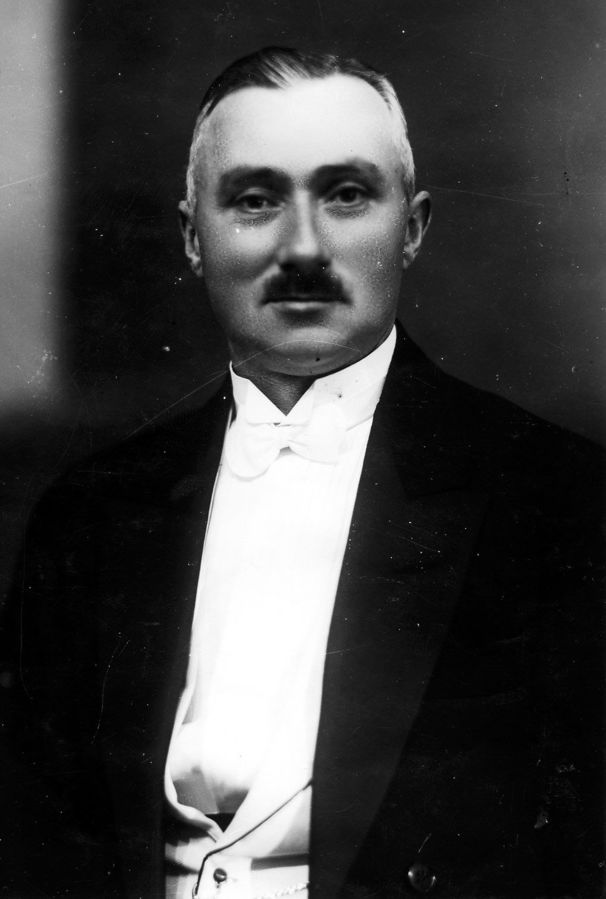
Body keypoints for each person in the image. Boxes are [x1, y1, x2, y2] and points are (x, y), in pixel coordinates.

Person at [4, 47, 604, 899]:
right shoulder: (92, 513)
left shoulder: (561, 500)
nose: (304, 247)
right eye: (255, 200)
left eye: (347, 194)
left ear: (413, 227)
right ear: (192, 237)